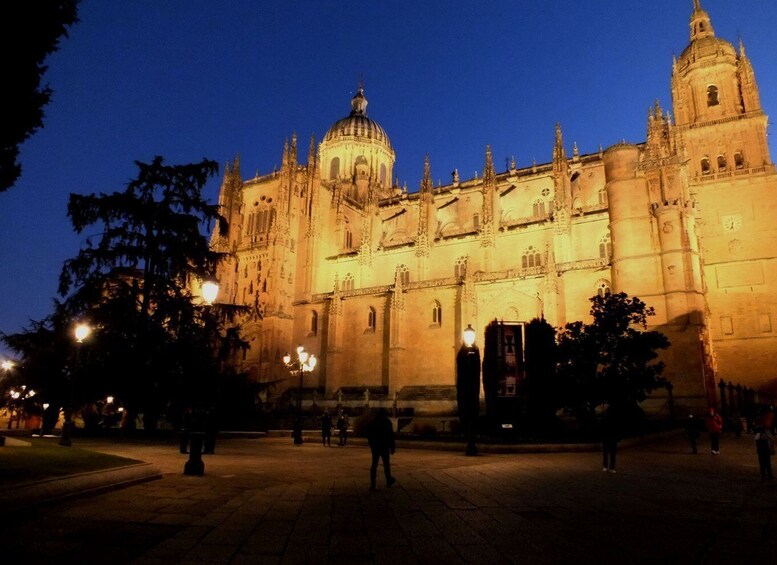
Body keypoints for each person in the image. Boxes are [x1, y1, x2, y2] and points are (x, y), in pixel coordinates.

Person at [367, 408, 396, 490]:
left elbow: (369, 434)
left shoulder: (373, 422)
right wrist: (392, 447)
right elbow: (391, 435)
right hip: (384, 446)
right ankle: (388, 481)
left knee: (374, 465)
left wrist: (371, 443)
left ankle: (373, 484)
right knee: (386, 465)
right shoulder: (387, 422)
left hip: (376, 446)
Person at [600, 408, 618, 473]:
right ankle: (610, 467)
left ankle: (607, 467)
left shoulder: (606, 421)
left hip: (609, 437)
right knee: (610, 453)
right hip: (608, 437)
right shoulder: (605, 421)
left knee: (608, 453)